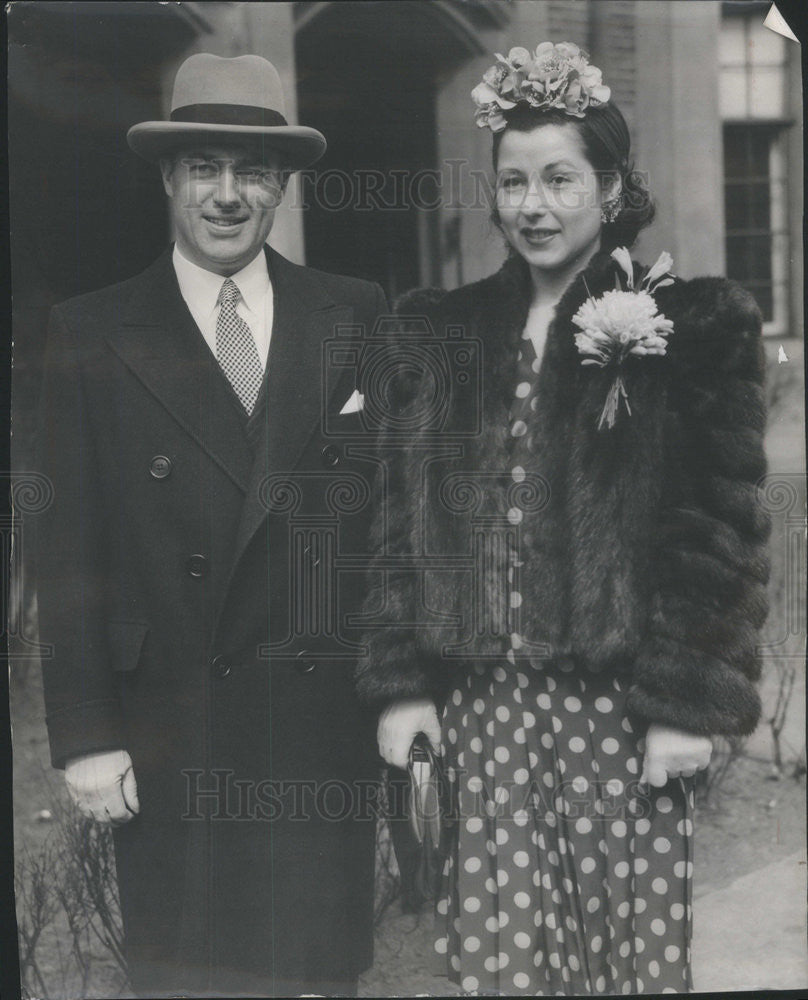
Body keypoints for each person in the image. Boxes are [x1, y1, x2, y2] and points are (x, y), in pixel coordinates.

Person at [356, 41, 770, 995]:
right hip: (482, 714)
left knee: (620, 956)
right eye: (513, 182)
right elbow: (395, 523)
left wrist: (682, 707)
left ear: (611, 186)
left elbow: (717, 532)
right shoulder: (437, 331)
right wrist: (402, 687)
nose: (533, 205)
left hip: (618, 717)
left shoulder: (692, 327)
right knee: (503, 957)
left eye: (559, 179)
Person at [35, 53, 387, 998]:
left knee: (316, 977)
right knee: (195, 978)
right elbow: (65, 555)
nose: (227, 196)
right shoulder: (91, 331)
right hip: (168, 726)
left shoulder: (354, 315)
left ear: (283, 185)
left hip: (317, 732)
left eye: (253, 171)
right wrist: (84, 735)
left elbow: (390, 526)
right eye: (204, 168)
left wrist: (400, 691)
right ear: (168, 177)